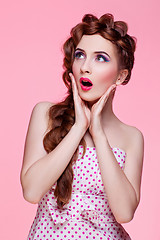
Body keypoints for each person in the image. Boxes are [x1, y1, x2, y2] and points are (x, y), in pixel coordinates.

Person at [20, 13, 144, 240]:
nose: (85, 67)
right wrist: (79, 128)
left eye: (101, 58)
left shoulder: (131, 137)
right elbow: (31, 191)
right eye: (80, 55)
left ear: (120, 76)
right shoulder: (45, 114)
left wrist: (98, 134)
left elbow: (124, 213)